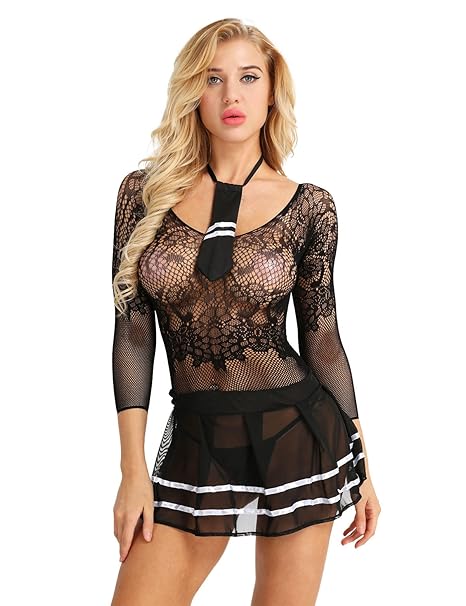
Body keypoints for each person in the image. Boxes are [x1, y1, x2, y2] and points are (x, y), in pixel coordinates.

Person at [110, 17, 381, 606]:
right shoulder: (143, 194)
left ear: (271, 92)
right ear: (193, 92)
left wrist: (363, 464)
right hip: (197, 437)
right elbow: (132, 333)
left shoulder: (309, 207)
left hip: (296, 434)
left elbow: (323, 339)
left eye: (248, 77)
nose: (231, 94)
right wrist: (133, 472)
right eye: (213, 78)